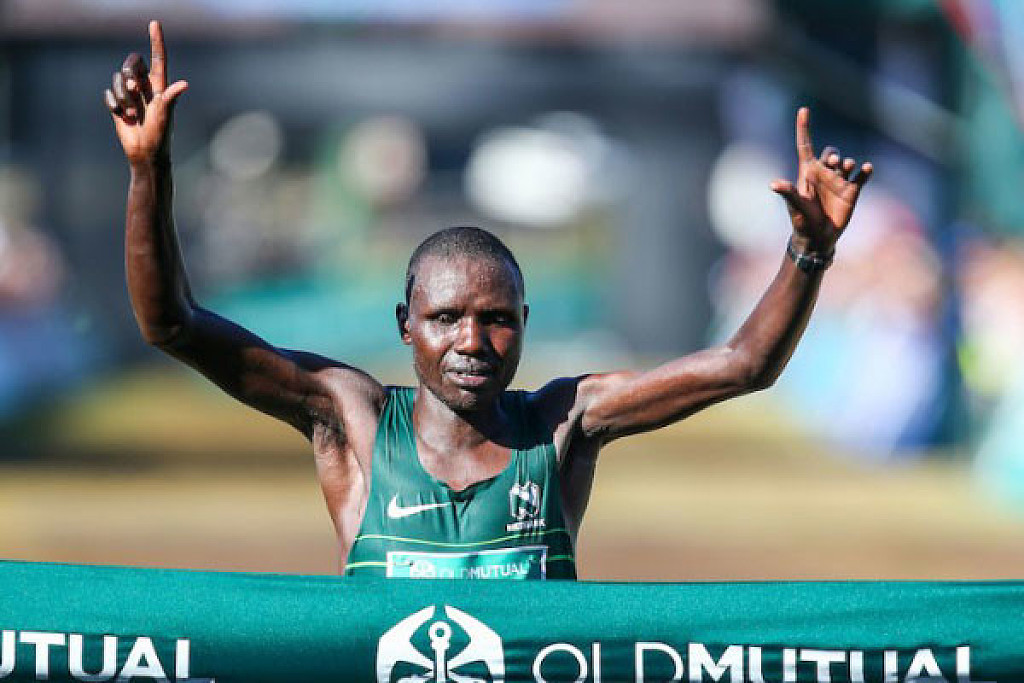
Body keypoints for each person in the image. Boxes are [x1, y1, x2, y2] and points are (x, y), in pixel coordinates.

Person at [105, 21, 873, 580]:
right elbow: (171, 324)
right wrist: (149, 170)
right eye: (446, 318)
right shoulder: (354, 419)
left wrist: (809, 253)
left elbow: (743, 364)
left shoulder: (563, 424)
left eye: (497, 319)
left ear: (525, 325)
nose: (472, 340)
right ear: (406, 325)